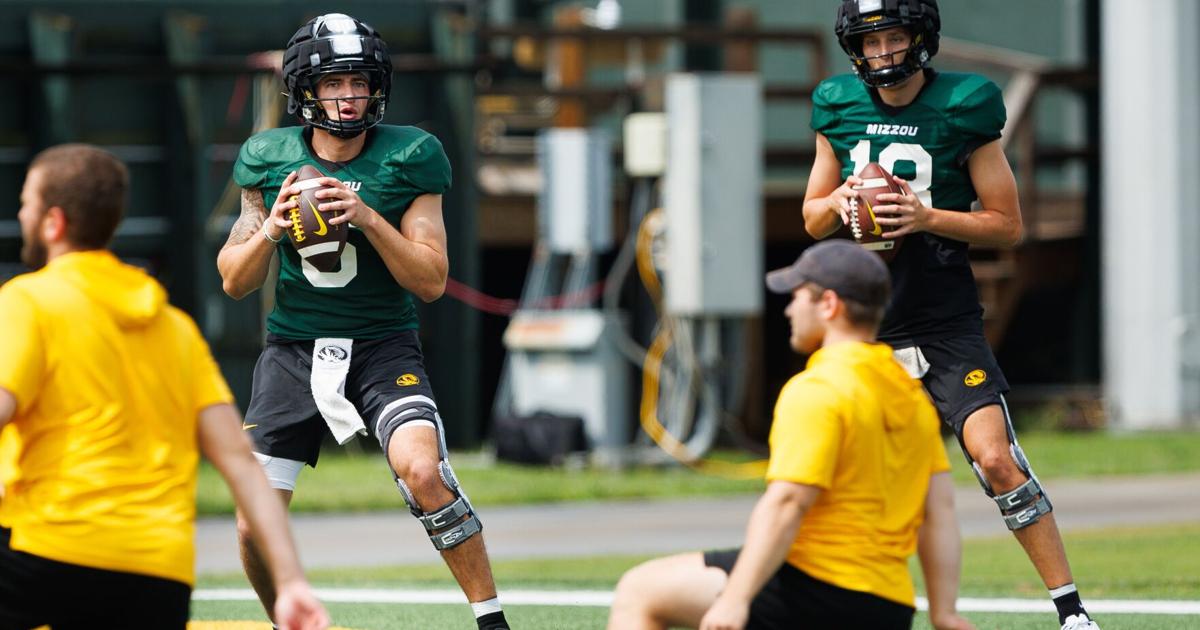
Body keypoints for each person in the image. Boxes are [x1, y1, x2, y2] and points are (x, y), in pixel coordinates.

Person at [800, 2, 1099, 630]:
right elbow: (811, 216)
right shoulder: (836, 102)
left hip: (941, 316)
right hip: (863, 321)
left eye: (893, 37)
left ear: (920, 37)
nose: (881, 53)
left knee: (995, 460)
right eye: (869, 41)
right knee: (835, 474)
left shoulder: (965, 104)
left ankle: (1071, 612)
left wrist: (925, 217)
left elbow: (1009, 226)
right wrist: (843, 198)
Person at [216, 13, 509, 630]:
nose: (351, 97)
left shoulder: (410, 154)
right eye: (335, 83)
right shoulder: (268, 158)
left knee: (424, 471)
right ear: (306, 90)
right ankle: (284, 623)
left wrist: (368, 217)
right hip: (293, 349)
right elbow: (234, 280)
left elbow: (430, 282)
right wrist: (270, 226)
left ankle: (491, 618)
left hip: (382, 346)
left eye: (361, 82)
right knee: (252, 519)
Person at [0, 144, 329, 629]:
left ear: (53, 223)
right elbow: (240, 462)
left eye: (26, 203)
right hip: (159, 575)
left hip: (49, 551)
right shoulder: (173, 326)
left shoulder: (29, 301)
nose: (21, 212)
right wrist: (291, 582)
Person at [608, 240, 973, 630]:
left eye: (797, 297)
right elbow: (939, 512)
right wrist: (943, 611)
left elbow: (787, 503)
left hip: (815, 589)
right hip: (888, 608)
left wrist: (736, 599)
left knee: (639, 590)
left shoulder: (818, 388)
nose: (788, 309)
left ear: (829, 305)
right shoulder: (911, 396)